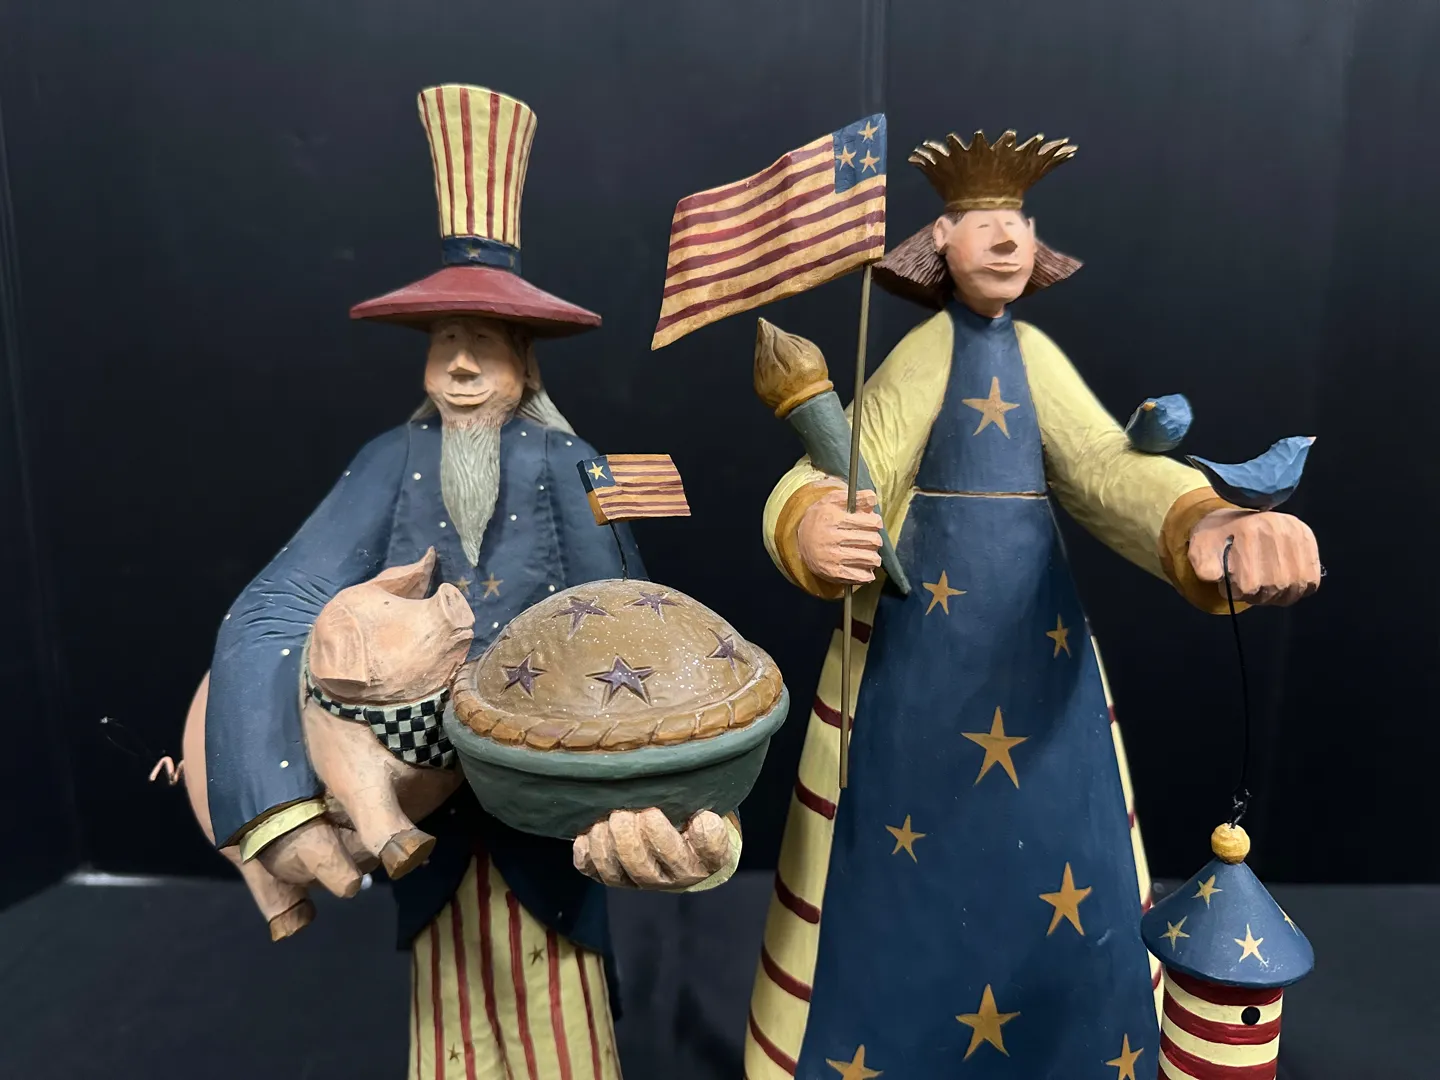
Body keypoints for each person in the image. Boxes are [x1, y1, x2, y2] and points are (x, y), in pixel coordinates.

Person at [745, 131, 1321, 1078]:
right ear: (942, 240)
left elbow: (1106, 468)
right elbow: (851, 463)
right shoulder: (923, 354)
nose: (1008, 239)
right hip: (910, 685)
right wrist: (812, 521)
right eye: (984, 222)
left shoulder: (1037, 357)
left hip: (1041, 674)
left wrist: (1204, 520)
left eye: (1018, 221)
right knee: (892, 870)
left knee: (1066, 849)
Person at [201, 85, 739, 1079]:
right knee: (451, 1012)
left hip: (552, 795)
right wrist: (276, 801)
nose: (457, 366)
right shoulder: (386, 462)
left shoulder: (574, 467)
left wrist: (676, 794)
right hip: (424, 801)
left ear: (524, 364)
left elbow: (636, 625)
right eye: (443, 342)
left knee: (559, 1009)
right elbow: (274, 606)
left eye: (481, 344)